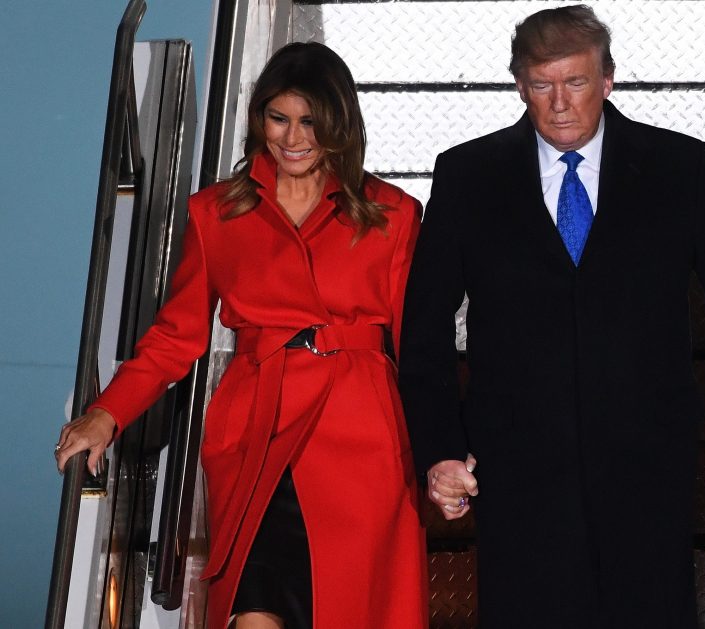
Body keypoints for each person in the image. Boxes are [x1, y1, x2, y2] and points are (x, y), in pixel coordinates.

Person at [398, 5, 705, 628]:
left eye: (576, 82)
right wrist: (441, 451)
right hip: (517, 468)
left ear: (608, 80)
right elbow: (422, 332)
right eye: (542, 84)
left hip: (647, 463)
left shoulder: (676, 167)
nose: (559, 103)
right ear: (519, 86)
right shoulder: (467, 175)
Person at [54, 42, 427, 629]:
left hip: (360, 444)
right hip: (256, 435)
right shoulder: (217, 213)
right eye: (279, 118)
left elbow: (417, 347)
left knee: (348, 606)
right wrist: (107, 413)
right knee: (254, 612)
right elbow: (175, 337)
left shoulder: (393, 213)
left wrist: (442, 450)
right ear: (259, 119)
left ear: (341, 124)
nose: (293, 137)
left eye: (311, 121)